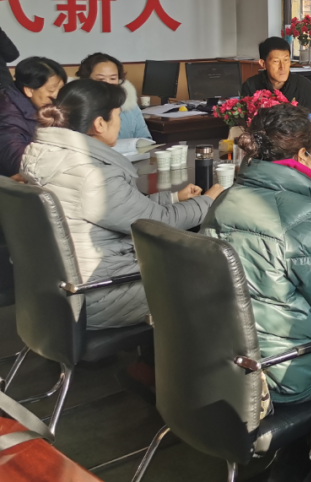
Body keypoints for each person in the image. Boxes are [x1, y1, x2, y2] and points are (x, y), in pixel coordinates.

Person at [201, 103, 311, 403]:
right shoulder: (308, 217)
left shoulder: (225, 199)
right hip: (285, 373)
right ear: (303, 154)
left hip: (221, 362)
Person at [20, 80, 221, 329]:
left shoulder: (49, 157)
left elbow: (121, 208)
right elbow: (157, 223)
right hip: (99, 292)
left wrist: (173, 198)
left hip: (55, 289)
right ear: (99, 124)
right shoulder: (92, 174)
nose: (120, 123)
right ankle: (174, 352)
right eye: (117, 116)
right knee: (213, 273)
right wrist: (209, 200)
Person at [0, 56, 66, 177]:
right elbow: (19, 164)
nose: (56, 96)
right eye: (51, 90)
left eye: (60, 89)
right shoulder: (7, 115)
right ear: (29, 91)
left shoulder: (40, 104)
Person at [74, 52, 152, 140]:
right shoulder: (79, 109)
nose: (108, 83)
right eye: (101, 79)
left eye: (113, 78)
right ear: (86, 81)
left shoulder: (130, 106)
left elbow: (145, 139)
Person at [240, 36, 311, 112]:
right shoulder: (250, 86)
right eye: (276, 61)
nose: (282, 67)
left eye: (286, 60)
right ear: (263, 64)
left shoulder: (305, 87)